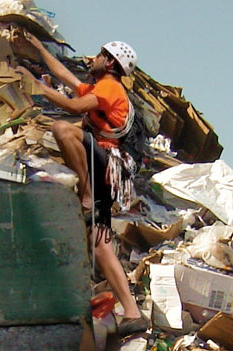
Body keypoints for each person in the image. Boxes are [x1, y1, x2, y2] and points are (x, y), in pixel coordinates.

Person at [16, 32, 147, 336]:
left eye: (99, 55)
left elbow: (74, 107)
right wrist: (37, 48)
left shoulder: (110, 87)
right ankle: (132, 313)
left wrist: (36, 87)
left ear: (110, 62)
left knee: (63, 128)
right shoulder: (102, 86)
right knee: (100, 245)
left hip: (110, 165)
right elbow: (66, 77)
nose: (92, 59)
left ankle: (85, 195)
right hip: (108, 168)